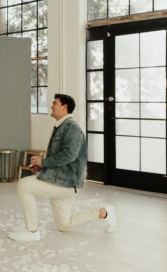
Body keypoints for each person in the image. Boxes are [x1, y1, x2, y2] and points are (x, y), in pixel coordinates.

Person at [9, 94, 116, 242]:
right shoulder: (61, 127)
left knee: (24, 185)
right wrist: (41, 166)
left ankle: (31, 231)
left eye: (54, 103)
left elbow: (69, 156)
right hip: (62, 181)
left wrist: (44, 162)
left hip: (67, 183)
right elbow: (62, 159)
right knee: (64, 225)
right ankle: (105, 213)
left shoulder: (71, 128)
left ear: (64, 107)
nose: (51, 106)